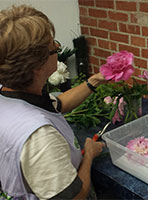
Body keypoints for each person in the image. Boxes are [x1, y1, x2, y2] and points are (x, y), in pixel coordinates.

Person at [0, 4, 106, 199]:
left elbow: (58, 104)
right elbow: (75, 197)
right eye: (52, 47)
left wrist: (95, 80)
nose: (58, 47)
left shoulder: (9, 95)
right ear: (37, 66)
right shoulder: (40, 137)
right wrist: (88, 155)